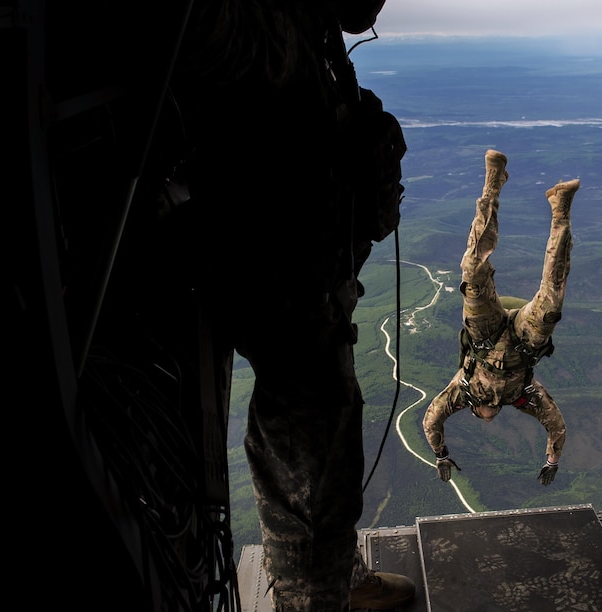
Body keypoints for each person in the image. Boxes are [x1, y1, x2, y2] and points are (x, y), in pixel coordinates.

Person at [173, 1, 414, 609]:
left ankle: (334, 574)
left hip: (302, 283)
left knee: (325, 434)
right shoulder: (268, 20)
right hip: (275, 285)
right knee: (310, 461)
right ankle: (315, 595)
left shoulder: (308, 24)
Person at [422, 149, 578, 487]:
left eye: (482, 417)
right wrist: (552, 459)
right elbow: (556, 424)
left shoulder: (461, 393)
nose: (489, 420)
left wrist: (441, 453)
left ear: (476, 410)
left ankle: (493, 185)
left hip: (485, 336)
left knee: (473, 272)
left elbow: (431, 421)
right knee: (552, 301)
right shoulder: (522, 396)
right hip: (524, 341)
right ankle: (560, 210)